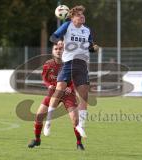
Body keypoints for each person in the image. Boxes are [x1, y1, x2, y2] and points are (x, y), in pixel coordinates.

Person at [44, 5, 99, 138]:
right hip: (69, 64)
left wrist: (94, 47)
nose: (82, 16)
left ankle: (81, 126)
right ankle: (48, 121)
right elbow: (53, 37)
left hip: (82, 65)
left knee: (84, 97)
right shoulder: (68, 25)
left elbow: (90, 46)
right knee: (59, 91)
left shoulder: (87, 30)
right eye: (79, 15)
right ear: (73, 18)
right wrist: (59, 42)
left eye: (83, 15)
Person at [28, 44, 85, 150]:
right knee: (39, 116)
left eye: (61, 49)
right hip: (53, 93)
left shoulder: (70, 64)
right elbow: (45, 78)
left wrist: (71, 87)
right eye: (56, 49)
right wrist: (48, 85)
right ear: (53, 51)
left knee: (75, 120)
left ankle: (79, 143)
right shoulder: (48, 64)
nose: (58, 51)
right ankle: (37, 140)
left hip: (68, 94)